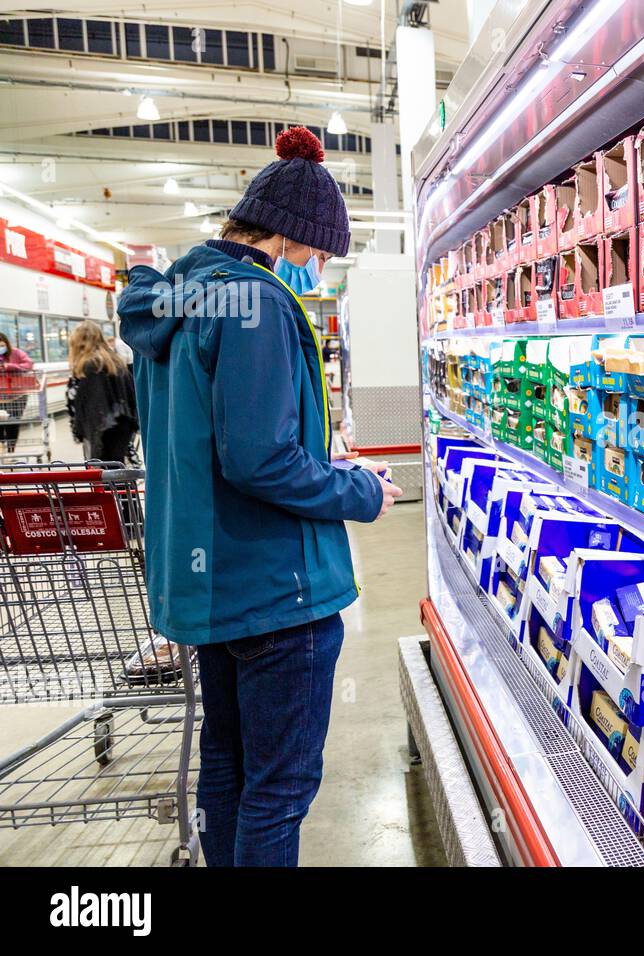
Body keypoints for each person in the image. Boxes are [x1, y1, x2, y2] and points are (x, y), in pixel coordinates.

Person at [117, 126, 403, 867]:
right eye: (313, 255)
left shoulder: (179, 301)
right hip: (278, 588)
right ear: (289, 239)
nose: (312, 270)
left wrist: (318, 452)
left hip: (211, 582)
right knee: (278, 790)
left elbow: (211, 442)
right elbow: (258, 459)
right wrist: (359, 489)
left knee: (229, 767)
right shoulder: (260, 303)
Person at [67, 320, 138, 463]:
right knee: (117, 471)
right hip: (122, 426)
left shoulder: (89, 366)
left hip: (102, 430)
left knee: (104, 474)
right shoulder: (114, 362)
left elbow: (90, 404)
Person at [0, 332, 35, 453]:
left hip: (17, 395)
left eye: (1, 345)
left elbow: (29, 364)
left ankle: (11, 449)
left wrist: (10, 366)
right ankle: (1, 446)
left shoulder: (17, 353)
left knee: (13, 422)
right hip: (0, 396)